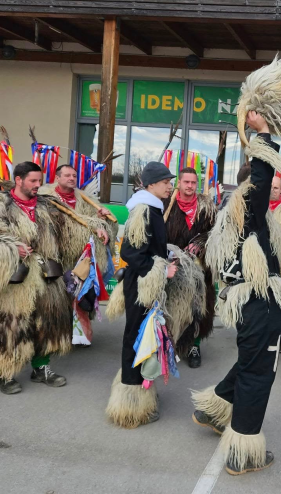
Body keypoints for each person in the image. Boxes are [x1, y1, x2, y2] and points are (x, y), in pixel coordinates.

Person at [191, 112, 281, 475]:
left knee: (251, 362)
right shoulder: (247, 208)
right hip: (258, 303)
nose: (273, 190)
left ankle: (215, 407)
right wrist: (263, 133)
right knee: (259, 373)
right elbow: (262, 177)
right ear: (254, 189)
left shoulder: (230, 215)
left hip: (247, 303)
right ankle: (243, 452)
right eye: (268, 187)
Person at [0, 161, 110, 395]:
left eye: (39, 180)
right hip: (14, 279)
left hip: (47, 275)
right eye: (33, 181)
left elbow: (75, 223)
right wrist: (11, 248)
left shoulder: (49, 205)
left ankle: (41, 368)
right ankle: (4, 372)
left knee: (48, 324)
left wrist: (97, 226)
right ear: (18, 180)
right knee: (10, 326)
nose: (38, 185)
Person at [104, 162, 184, 428]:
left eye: (169, 181)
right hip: (141, 285)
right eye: (164, 182)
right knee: (137, 337)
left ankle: (139, 388)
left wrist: (165, 257)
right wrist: (161, 269)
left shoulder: (152, 208)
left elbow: (148, 248)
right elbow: (130, 253)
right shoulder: (144, 210)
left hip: (147, 284)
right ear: (150, 185)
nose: (169, 185)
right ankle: (131, 401)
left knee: (144, 336)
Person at [40, 164, 118, 346]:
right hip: (59, 255)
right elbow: (65, 223)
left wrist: (103, 218)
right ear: (57, 178)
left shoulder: (85, 199)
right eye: (67, 175)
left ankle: (78, 328)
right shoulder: (46, 199)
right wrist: (93, 224)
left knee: (96, 279)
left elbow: (103, 225)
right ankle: (59, 332)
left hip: (83, 256)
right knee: (61, 294)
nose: (71, 178)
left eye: (74, 176)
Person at [163, 166, 217, 368]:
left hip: (199, 267)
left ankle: (194, 345)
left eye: (193, 182)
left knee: (198, 309)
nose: (190, 186)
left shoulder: (207, 206)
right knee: (171, 307)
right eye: (186, 182)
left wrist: (201, 242)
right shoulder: (166, 204)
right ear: (179, 183)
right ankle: (169, 345)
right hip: (172, 265)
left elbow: (214, 232)